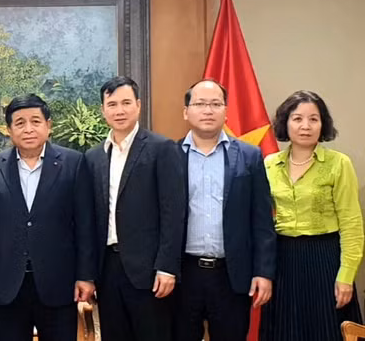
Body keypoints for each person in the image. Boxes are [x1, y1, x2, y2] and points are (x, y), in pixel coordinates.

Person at [0, 94, 95, 341]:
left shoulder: (73, 163)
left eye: (35, 121)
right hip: (6, 284)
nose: (28, 129)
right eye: (19, 122)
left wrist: (85, 275)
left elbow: (84, 225)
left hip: (58, 284)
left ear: (48, 125)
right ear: (9, 130)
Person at [84, 76, 185, 341]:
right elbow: (89, 218)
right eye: (112, 104)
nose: (119, 110)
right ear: (103, 110)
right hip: (108, 269)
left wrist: (167, 267)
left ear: (138, 106)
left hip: (150, 271)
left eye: (126, 103)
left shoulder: (162, 149)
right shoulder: (94, 157)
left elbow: (173, 213)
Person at [174, 80, 276, 341]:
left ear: (226, 111)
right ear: (186, 111)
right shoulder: (169, 155)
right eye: (200, 104)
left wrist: (263, 272)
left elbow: (262, 221)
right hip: (184, 275)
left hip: (231, 275)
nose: (208, 110)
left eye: (215, 104)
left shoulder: (250, 156)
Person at [259, 90, 363, 341]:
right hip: (282, 261)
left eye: (313, 119)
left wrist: (346, 276)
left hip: (325, 260)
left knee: (327, 331)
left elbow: (351, 224)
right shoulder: (269, 164)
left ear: (322, 124)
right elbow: (260, 222)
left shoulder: (338, 164)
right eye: (297, 119)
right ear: (286, 122)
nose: (305, 126)